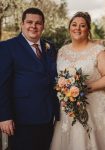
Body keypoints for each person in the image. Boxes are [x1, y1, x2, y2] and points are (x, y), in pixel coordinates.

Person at [51, 12, 105, 150]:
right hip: (67, 109)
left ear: (88, 29)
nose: (78, 28)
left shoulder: (98, 51)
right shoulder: (61, 51)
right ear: (69, 28)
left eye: (82, 25)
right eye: (74, 24)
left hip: (94, 107)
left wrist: (86, 87)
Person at [0, 7, 59, 150]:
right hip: (22, 118)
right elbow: (2, 84)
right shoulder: (7, 47)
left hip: (48, 116)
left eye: (38, 23)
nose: (33, 26)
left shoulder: (50, 47)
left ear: (43, 26)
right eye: (29, 22)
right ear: (22, 24)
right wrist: (4, 116)